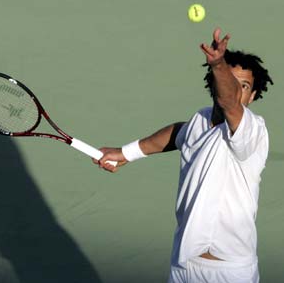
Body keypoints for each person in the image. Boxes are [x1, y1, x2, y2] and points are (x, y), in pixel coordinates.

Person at [94, 28, 274, 283]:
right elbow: (178, 132)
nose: (235, 89)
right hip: (184, 265)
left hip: (230, 272)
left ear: (253, 96)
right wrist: (126, 153)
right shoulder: (199, 120)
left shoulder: (252, 130)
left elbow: (231, 102)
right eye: (229, 81)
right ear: (214, 83)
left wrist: (219, 64)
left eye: (243, 85)